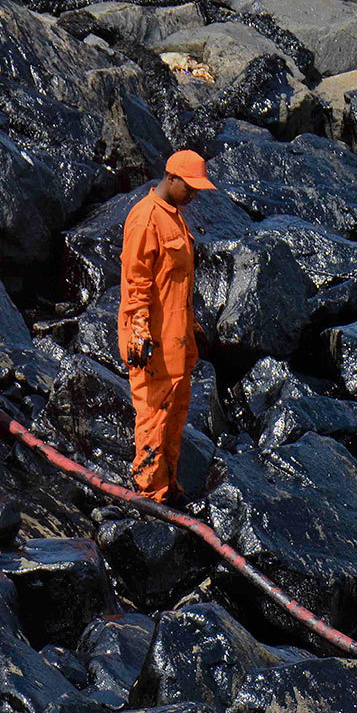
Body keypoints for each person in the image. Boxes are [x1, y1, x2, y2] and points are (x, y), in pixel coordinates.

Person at [118, 149, 215, 508]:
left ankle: (169, 487)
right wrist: (139, 332)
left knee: (174, 419)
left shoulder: (175, 217)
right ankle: (149, 494)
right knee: (153, 419)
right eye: (189, 187)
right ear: (171, 179)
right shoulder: (145, 220)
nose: (194, 195)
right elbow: (136, 284)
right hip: (153, 346)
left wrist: (191, 328)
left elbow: (175, 284)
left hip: (177, 343)